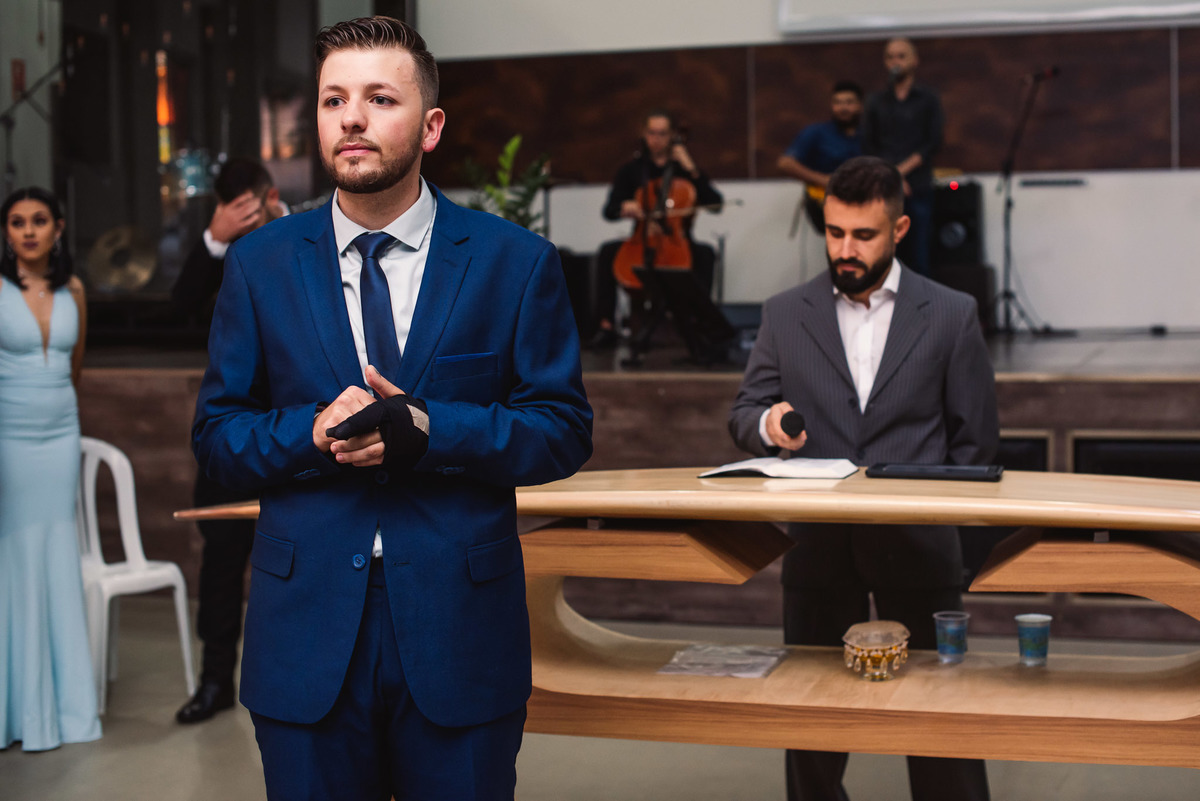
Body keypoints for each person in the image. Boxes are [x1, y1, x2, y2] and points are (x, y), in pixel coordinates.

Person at [192, 16, 592, 801]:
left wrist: (434, 429)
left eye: (379, 98)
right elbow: (216, 436)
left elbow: (562, 429)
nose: (351, 118)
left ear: (431, 125)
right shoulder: (259, 265)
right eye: (333, 99)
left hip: (460, 632)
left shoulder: (514, 263)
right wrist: (306, 431)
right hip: (304, 631)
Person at [727, 156, 995, 801]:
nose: (845, 249)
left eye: (863, 235)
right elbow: (744, 414)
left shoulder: (952, 313)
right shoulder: (785, 313)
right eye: (834, 232)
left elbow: (977, 441)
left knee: (938, 717)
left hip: (920, 545)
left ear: (899, 228)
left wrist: (954, 539)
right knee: (812, 720)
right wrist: (771, 426)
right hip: (819, 548)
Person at [172, 158, 286, 724]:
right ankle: (215, 678)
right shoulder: (220, 258)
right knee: (220, 566)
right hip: (230, 435)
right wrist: (215, 242)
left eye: (252, 204)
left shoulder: (310, 238)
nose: (246, 216)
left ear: (270, 196)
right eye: (232, 208)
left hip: (297, 436)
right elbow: (177, 316)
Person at [0, 187, 102, 751]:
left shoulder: (74, 290)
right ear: (7, 232)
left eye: (39, 220)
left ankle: (64, 710)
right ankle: (16, 709)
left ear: (58, 228)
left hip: (60, 436)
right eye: (17, 223)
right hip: (8, 441)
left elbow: (74, 367)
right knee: (12, 560)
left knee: (57, 556)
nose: (29, 231)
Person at [588, 110, 723, 348]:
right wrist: (624, 206)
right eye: (652, 133)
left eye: (662, 134)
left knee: (705, 255)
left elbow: (715, 204)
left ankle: (698, 326)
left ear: (672, 135)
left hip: (677, 240)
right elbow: (608, 211)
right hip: (641, 240)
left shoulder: (684, 170)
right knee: (608, 252)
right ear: (644, 133)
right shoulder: (632, 170)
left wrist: (691, 167)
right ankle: (605, 325)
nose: (656, 139)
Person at [861, 38, 944, 277]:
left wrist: (900, 172)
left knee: (919, 257)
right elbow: (869, 144)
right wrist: (891, 175)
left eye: (901, 56)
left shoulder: (928, 99)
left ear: (914, 60)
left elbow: (932, 142)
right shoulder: (876, 101)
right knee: (884, 258)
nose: (895, 61)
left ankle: (919, 313)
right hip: (883, 190)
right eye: (890, 57)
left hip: (917, 187)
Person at [778, 80, 864, 233]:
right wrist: (823, 180)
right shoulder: (817, 132)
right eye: (837, 103)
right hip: (826, 201)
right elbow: (785, 163)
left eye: (849, 102)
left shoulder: (870, 134)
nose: (843, 108)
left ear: (860, 105)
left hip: (863, 203)